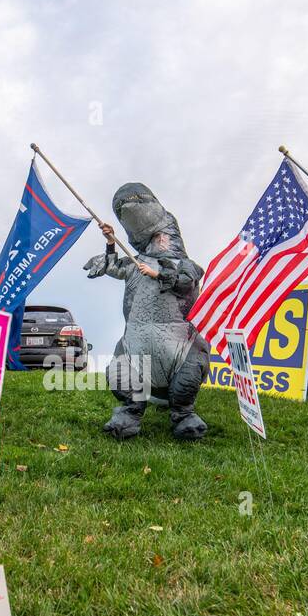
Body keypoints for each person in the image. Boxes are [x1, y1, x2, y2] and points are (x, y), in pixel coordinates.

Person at [83, 183, 210, 441]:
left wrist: (157, 273)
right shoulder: (134, 264)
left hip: (180, 349)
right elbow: (113, 266)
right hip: (135, 347)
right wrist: (110, 241)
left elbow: (187, 281)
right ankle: (130, 412)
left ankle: (183, 414)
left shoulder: (185, 265)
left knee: (192, 364)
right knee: (120, 370)